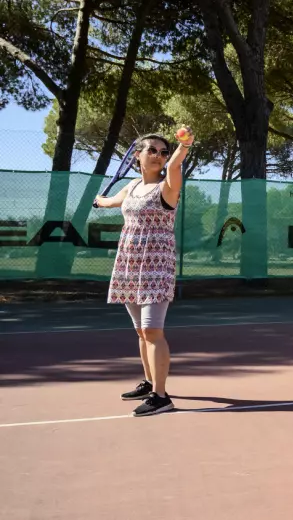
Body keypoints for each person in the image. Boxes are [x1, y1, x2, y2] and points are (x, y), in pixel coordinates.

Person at [94, 127, 193, 417]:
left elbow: (174, 166)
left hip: (156, 267)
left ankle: (161, 397)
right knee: (140, 331)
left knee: (152, 330)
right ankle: (150, 382)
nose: (159, 155)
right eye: (152, 150)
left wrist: (184, 146)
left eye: (163, 151)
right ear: (137, 155)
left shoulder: (168, 187)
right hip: (128, 265)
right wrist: (100, 201)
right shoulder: (132, 186)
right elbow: (114, 201)